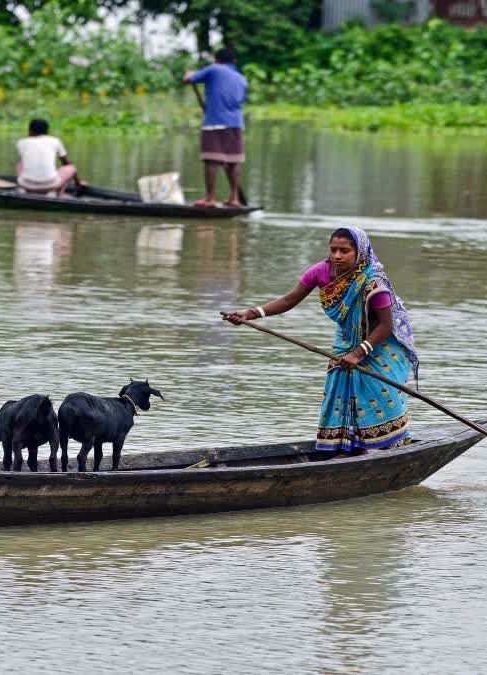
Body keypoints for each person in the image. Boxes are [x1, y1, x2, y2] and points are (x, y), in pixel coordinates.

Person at [223, 226, 420, 454]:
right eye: (333, 249)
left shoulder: (374, 284)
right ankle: (348, 448)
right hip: (347, 340)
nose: (337, 256)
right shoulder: (320, 272)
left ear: (360, 252)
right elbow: (289, 299)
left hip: (381, 344)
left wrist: (358, 353)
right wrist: (250, 313)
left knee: (381, 396)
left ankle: (388, 449)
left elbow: (387, 325)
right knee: (339, 387)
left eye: (344, 251)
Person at [183, 47, 247, 208]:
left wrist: (189, 74)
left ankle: (209, 198)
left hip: (215, 122)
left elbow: (189, 80)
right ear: (235, 62)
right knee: (233, 161)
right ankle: (234, 198)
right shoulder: (241, 78)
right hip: (236, 123)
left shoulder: (214, 69)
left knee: (211, 159)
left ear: (216, 60)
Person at [15, 118, 80, 196]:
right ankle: (69, 190)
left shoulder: (21, 142)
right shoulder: (55, 141)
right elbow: (65, 163)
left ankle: (23, 189)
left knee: (20, 162)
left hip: (26, 184)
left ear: (30, 131)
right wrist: (77, 181)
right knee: (71, 167)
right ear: (47, 132)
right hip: (50, 185)